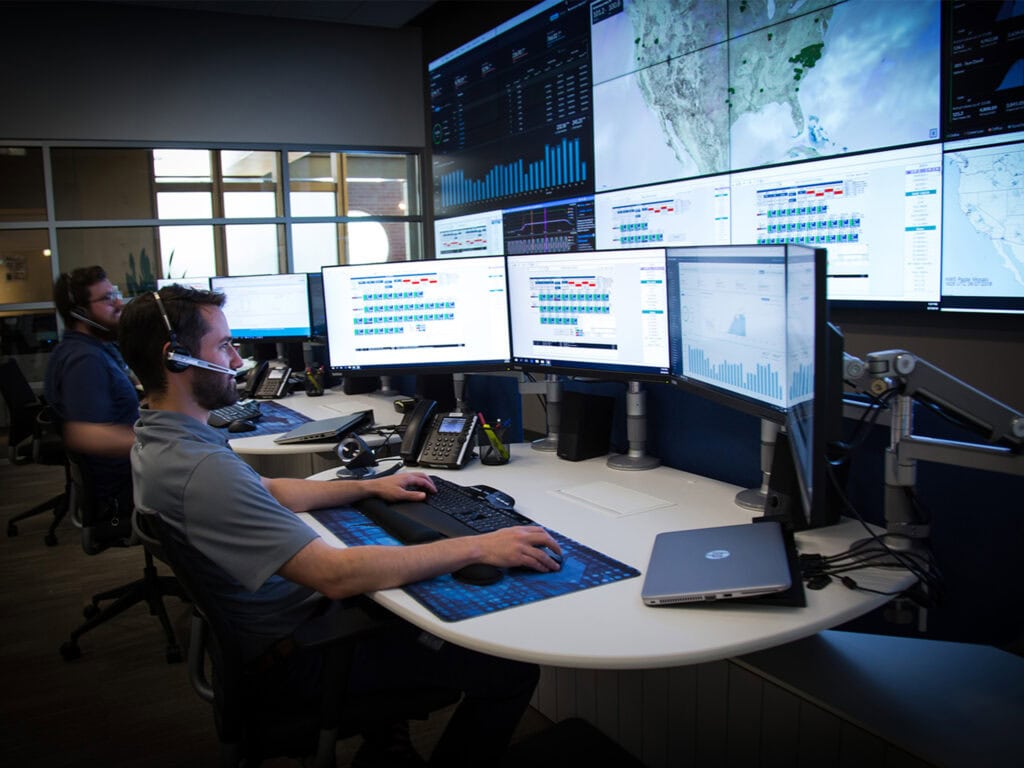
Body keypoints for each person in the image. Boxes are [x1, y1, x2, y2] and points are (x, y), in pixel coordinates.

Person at [118, 285, 563, 767]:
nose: (236, 358)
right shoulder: (201, 469)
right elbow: (335, 574)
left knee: (404, 596)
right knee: (509, 670)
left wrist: (368, 487)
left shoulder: (162, 439)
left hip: (280, 634)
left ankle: (383, 747)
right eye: (224, 345)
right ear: (178, 358)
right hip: (299, 659)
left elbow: (265, 489)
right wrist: (479, 546)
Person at [44, 266, 138, 511]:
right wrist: (160, 441)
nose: (118, 303)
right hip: (121, 488)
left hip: (128, 474)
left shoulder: (92, 349)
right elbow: (85, 434)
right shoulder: (85, 361)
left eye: (115, 293)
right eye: (107, 298)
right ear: (80, 313)